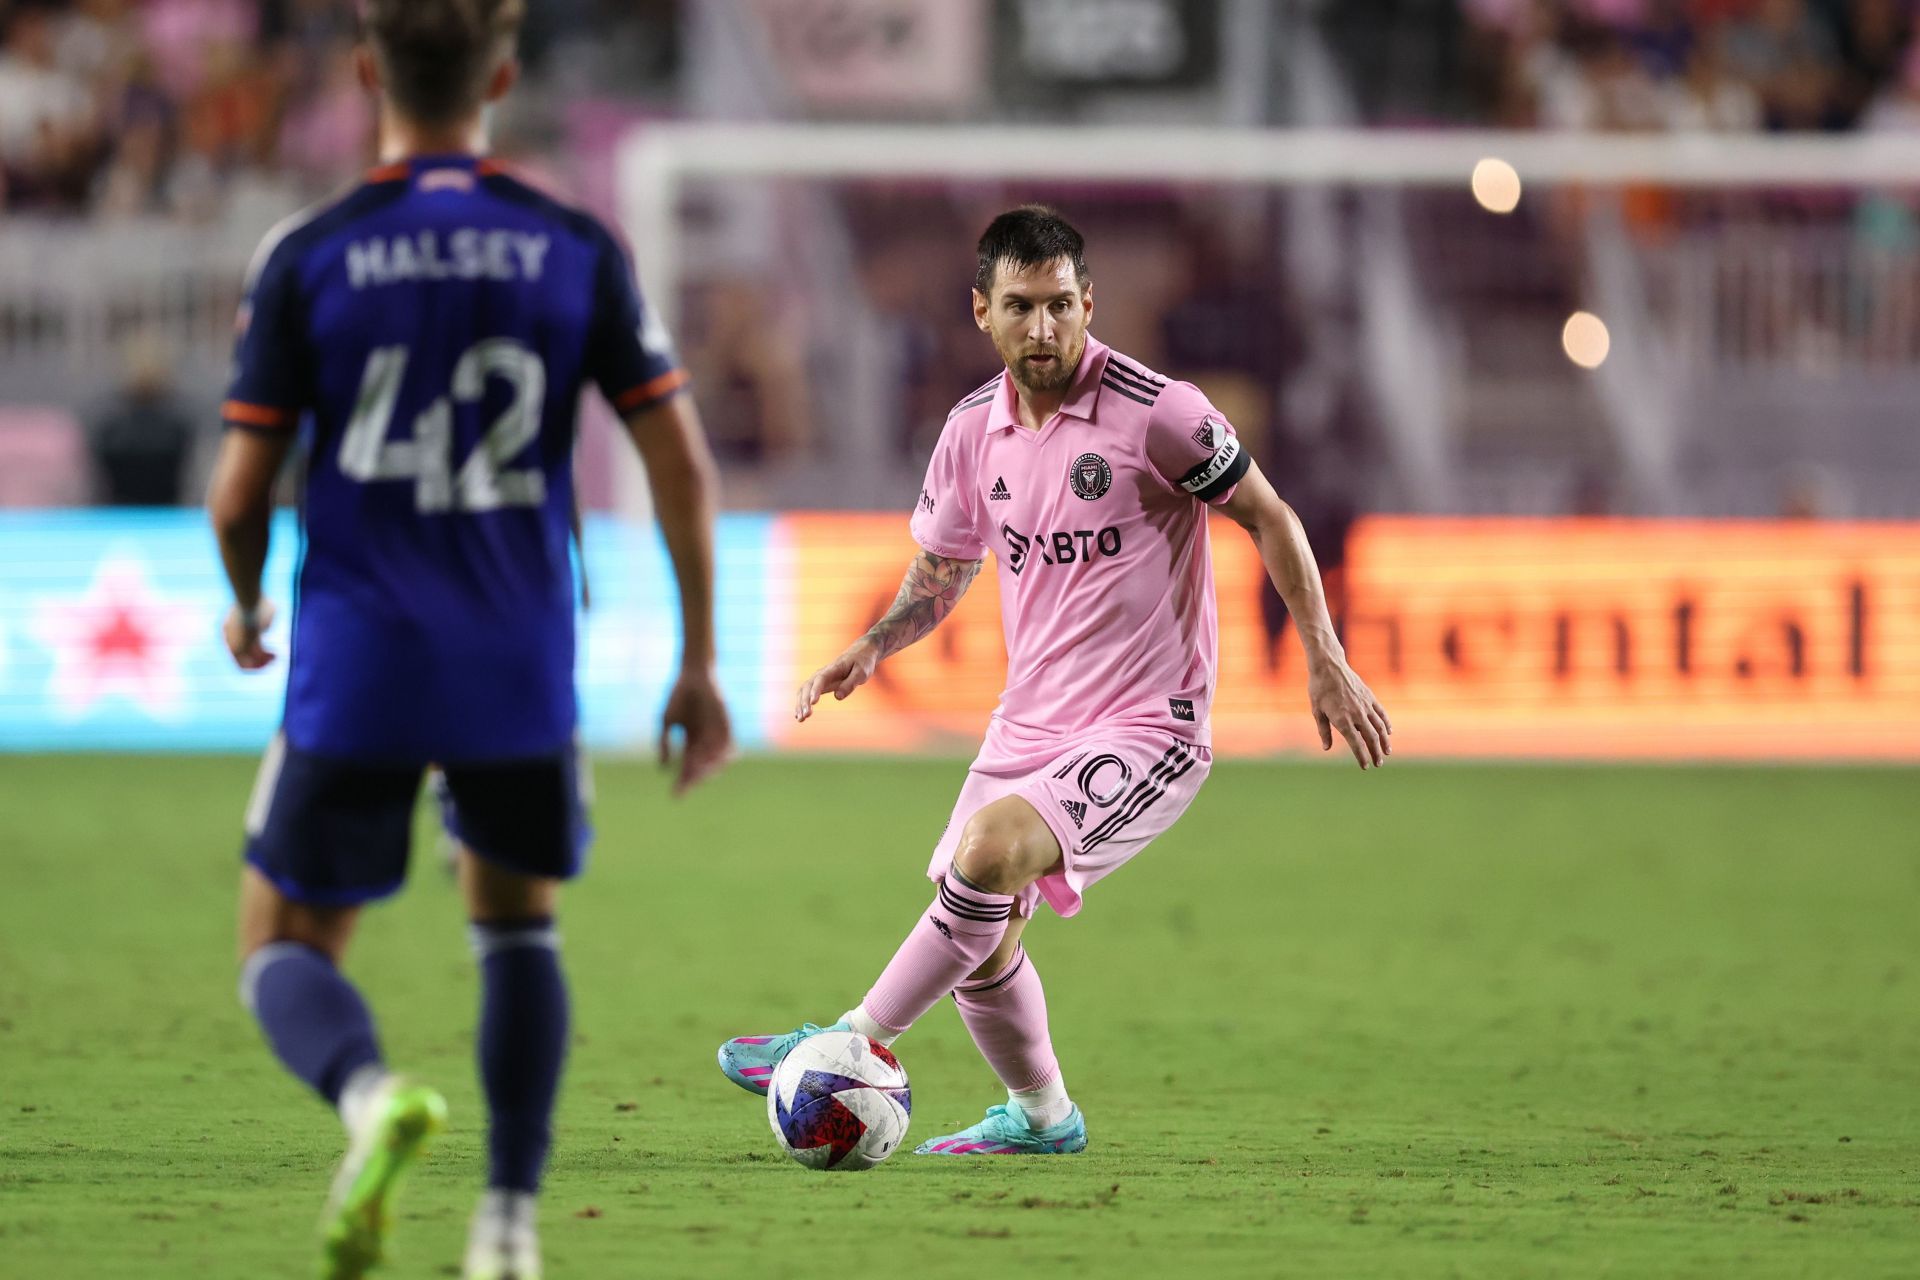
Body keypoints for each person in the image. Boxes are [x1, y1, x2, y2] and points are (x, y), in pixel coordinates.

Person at [204, 3, 731, 1277]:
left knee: (279, 939)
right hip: (515, 654)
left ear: (368, 71)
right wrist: (698, 658)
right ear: (501, 74)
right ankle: (508, 1225)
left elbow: (237, 494)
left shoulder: (309, 252)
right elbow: (678, 467)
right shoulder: (572, 246)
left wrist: (247, 597)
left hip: (361, 655)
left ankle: (370, 1094)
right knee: (517, 928)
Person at [717, 207, 1390, 1155]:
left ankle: (844, 1040)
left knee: (983, 856)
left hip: (1149, 726)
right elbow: (945, 568)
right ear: (983, 311)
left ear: (1088, 304)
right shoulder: (968, 435)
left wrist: (1325, 655)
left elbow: (1271, 517)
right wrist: (874, 644)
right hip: (1027, 722)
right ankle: (1043, 1118)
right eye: (1023, 307)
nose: (1045, 329)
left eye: (1063, 306)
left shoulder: (1160, 411)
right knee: (983, 941)